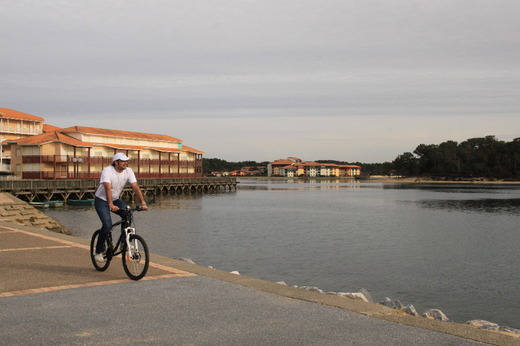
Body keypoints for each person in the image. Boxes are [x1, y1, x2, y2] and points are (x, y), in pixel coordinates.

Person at [93, 153, 148, 262]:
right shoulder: (107, 171)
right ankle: (98, 251)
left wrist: (143, 203)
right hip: (101, 200)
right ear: (115, 162)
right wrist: (110, 205)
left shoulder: (128, 171)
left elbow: (135, 186)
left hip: (115, 199)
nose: (125, 163)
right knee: (107, 225)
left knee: (128, 214)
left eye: (126, 161)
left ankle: (124, 243)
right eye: (123, 161)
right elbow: (107, 188)